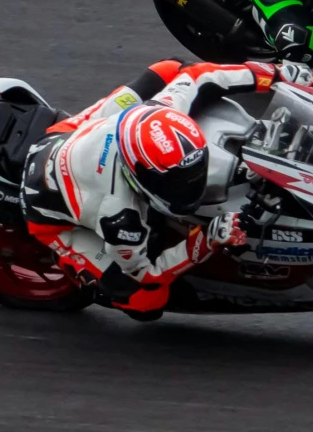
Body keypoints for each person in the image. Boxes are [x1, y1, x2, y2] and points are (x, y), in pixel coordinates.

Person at [21, 58, 275, 322]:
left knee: (171, 68)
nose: (190, 185)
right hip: (47, 210)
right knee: (145, 300)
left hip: (67, 134)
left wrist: (276, 74)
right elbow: (147, 273)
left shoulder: (160, 109)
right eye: (175, 182)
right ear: (138, 175)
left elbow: (202, 75)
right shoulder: (119, 219)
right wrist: (207, 239)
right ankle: (77, 267)